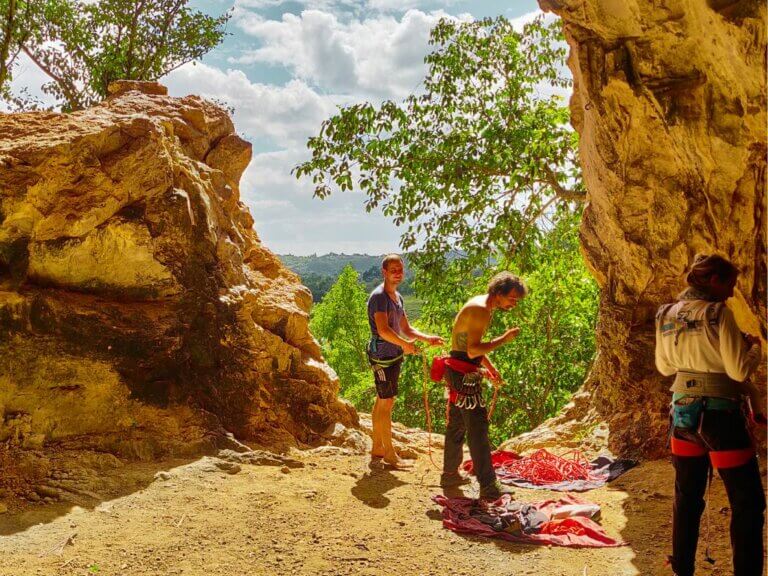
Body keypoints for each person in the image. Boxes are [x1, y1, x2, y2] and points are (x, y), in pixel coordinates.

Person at [655, 253, 765, 576]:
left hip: (683, 416)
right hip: (720, 417)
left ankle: (683, 570)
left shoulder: (666, 314)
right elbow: (739, 369)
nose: (732, 292)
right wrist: (754, 347)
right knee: (747, 504)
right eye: (729, 284)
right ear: (714, 280)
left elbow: (664, 367)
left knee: (687, 497)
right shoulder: (719, 314)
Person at [441, 271, 527, 499]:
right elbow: (472, 350)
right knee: (477, 428)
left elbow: (467, 345)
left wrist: (488, 368)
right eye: (511, 298)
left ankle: (449, 474)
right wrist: (504, 339)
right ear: (498, 293)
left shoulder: (480, 305)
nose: (513, 304)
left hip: (457, 368)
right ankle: (488, 486)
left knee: (457, 425)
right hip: (463, 374)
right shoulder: (481, 311)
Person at [368, 254, 444, 468]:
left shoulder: (397, 297)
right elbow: (383, 330)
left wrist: (426, 338)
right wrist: (405, 345)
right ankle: (390, 454)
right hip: (382, 356)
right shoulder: (379, 297)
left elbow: (406, 328)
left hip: (393, 354)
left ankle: (377, 447)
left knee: (382, 399)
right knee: (387, 402)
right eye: (393, 269)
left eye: (400, 269)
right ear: (384, 272)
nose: (398, 273)